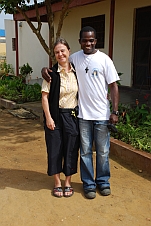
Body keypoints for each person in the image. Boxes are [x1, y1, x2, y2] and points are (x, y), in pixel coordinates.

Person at [41, 26, 119, 199]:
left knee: (103, 151)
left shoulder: (104, 59)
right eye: (84, 40)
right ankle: (89, 184)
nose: (88, 43)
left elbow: (114, 85)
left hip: (101, 115)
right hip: (82, 116)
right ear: (79, 42)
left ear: (96, 41)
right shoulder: (75, 58)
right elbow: (58, 65)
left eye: (91, 40)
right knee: (84, 152)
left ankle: (103, 181)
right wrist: (45, 70)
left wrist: (115, 111)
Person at [41, 37, 80, 198]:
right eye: (57, 52)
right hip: (55, 116)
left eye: (62, 50)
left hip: (71, 115)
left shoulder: (77, 71)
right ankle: (57, 182)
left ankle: (68, 182)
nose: (60, 54)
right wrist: (48, 118)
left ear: (69, 51)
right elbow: (44, 97)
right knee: (55, 149)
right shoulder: (50, 73)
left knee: (71, 148)